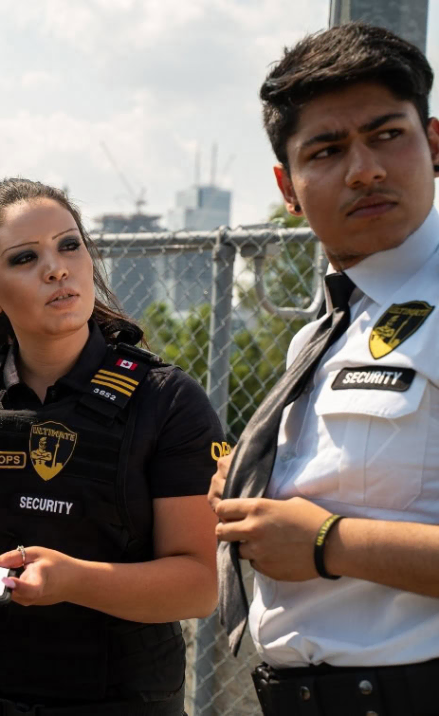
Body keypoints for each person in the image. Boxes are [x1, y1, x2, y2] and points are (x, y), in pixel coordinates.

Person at [0, 178, 223, 715]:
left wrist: (75, 581)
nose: (57, 268)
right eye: (25, 258)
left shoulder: (165, 400)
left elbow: (198, 585)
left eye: (69, 245)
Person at [210, 23, 439, 716]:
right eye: (328, 150)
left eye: (386, 135)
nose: (364, 168)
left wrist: (325, 543)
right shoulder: (322, 332)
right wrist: (257, 488)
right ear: (288, 185)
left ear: (434, 143)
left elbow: (324, 531)